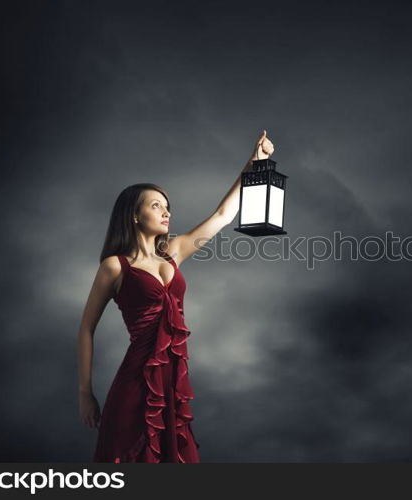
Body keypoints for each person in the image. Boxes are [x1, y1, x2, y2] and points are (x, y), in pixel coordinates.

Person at [77, 130, 275, 462]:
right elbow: (85, 328)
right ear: (135, 215)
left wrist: (255, 162)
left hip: (173, 383)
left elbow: (223, 216)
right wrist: (85, 393)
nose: (166, 211)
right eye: (156, 206)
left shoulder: (174, 252)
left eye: (167, 206)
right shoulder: (114, 266)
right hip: (135, 383)